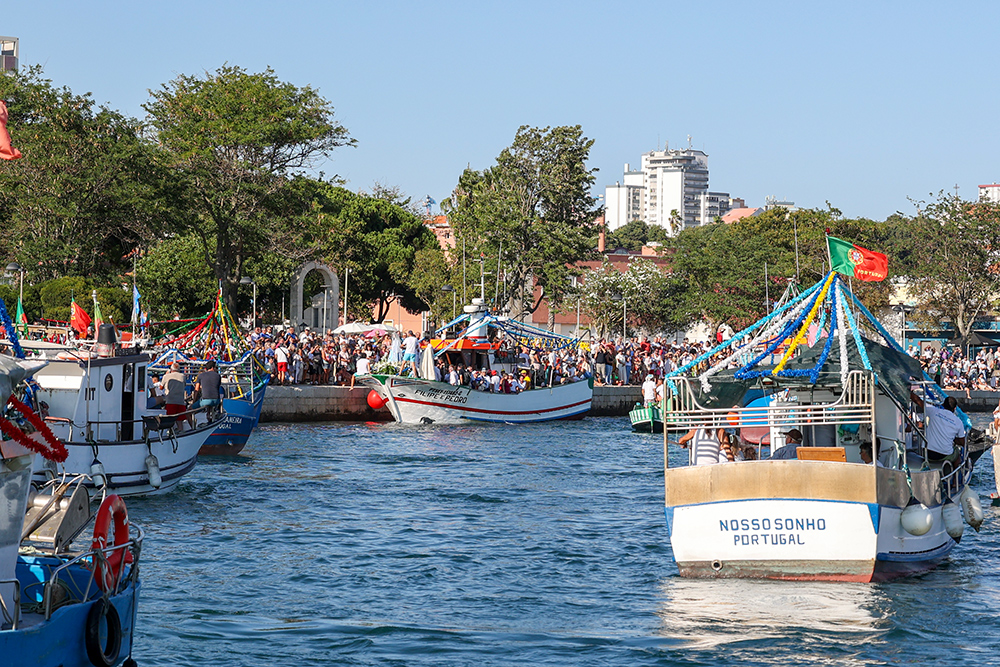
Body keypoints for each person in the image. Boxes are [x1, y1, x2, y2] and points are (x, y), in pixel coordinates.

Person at [910, 390, 965, 463]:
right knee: (957, 452)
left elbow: (917, 400)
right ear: (955, 408)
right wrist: (953, 439)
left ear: (943, 405)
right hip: (944, 455)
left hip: (927, 453)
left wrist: (907, 391)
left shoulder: (934, 411)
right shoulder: (958, 422)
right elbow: (962, 442)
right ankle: (954, 472)